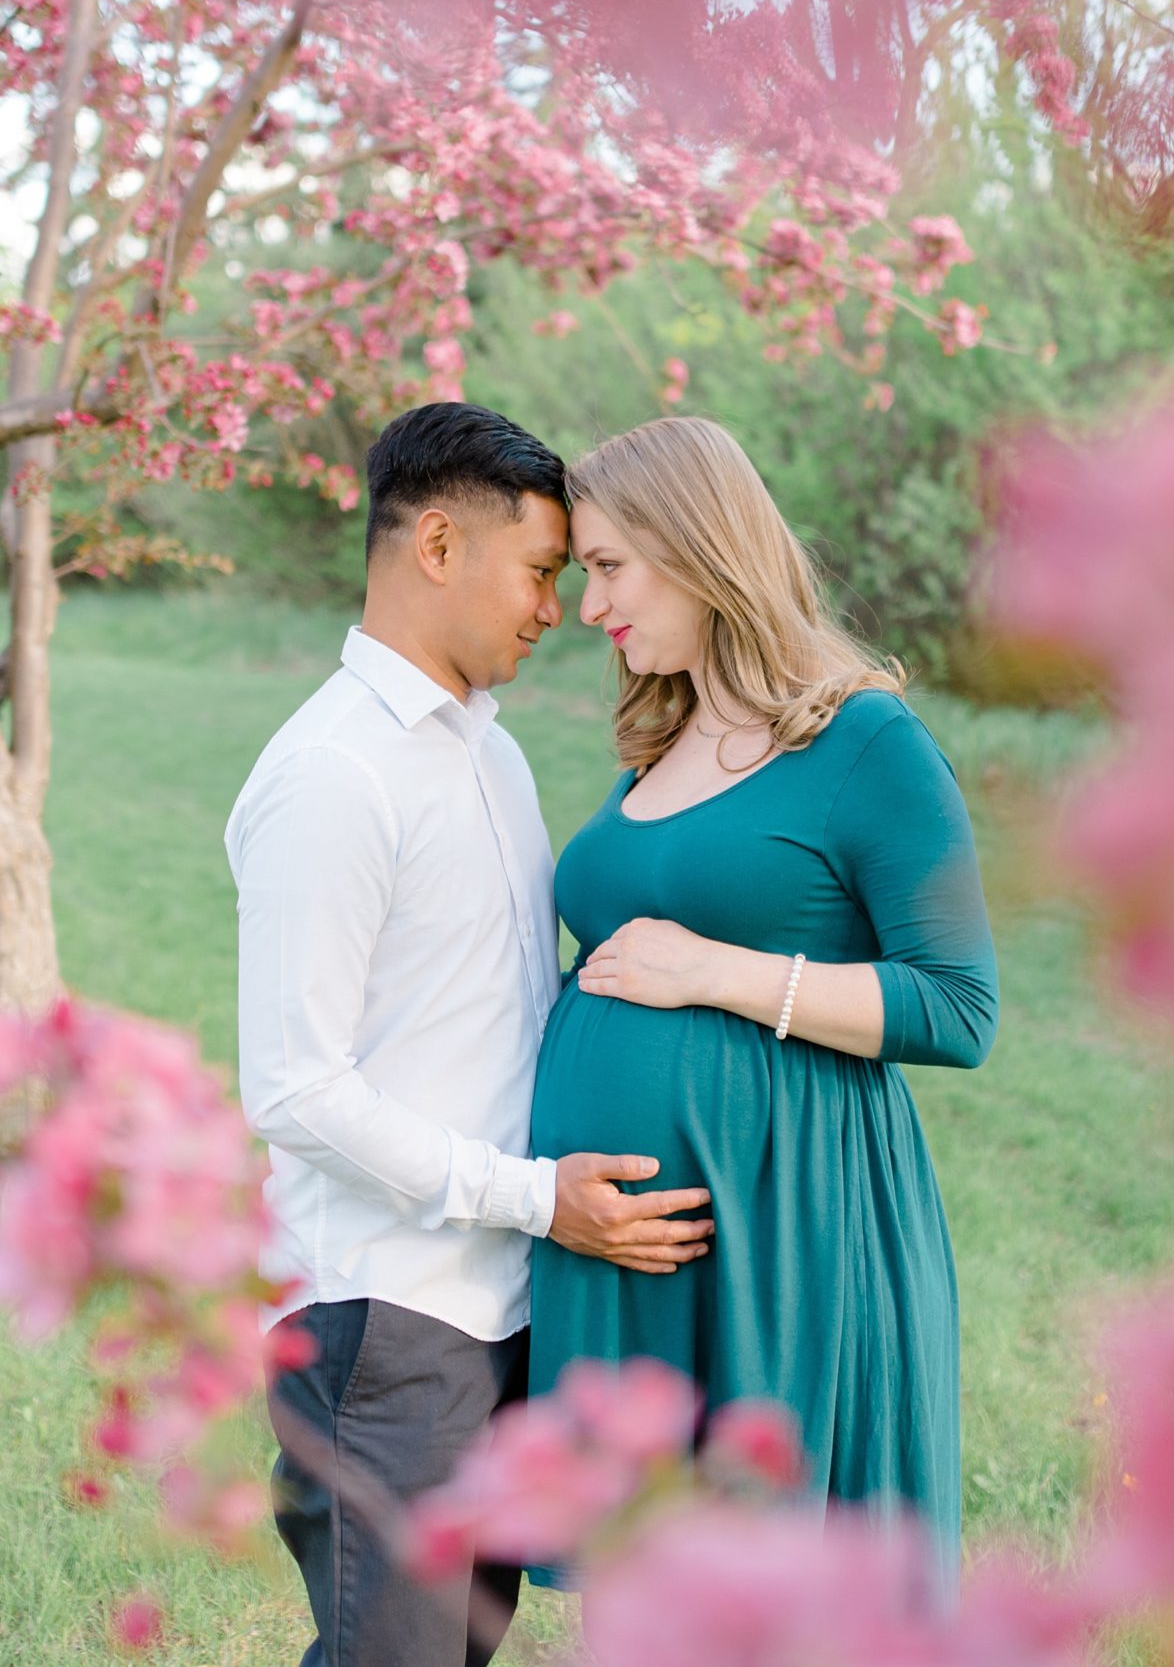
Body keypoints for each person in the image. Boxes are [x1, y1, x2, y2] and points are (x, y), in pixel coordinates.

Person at [226, 402, 718, 1667]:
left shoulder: (485, 754)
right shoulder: (333, 773)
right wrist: (539, 1198)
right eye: (543, 569)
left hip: (500, 1302)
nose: (557, 606)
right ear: (438, 544)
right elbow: (295, 1088)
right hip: (388, 1316)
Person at [520, 416, 999, 1584]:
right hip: (637, 1243)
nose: (590, 608)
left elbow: (959, 1005)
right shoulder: (665, 735)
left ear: (697, 548)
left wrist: (718, 974)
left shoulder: (865, 740)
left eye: (607, 568)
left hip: (787, 1226)